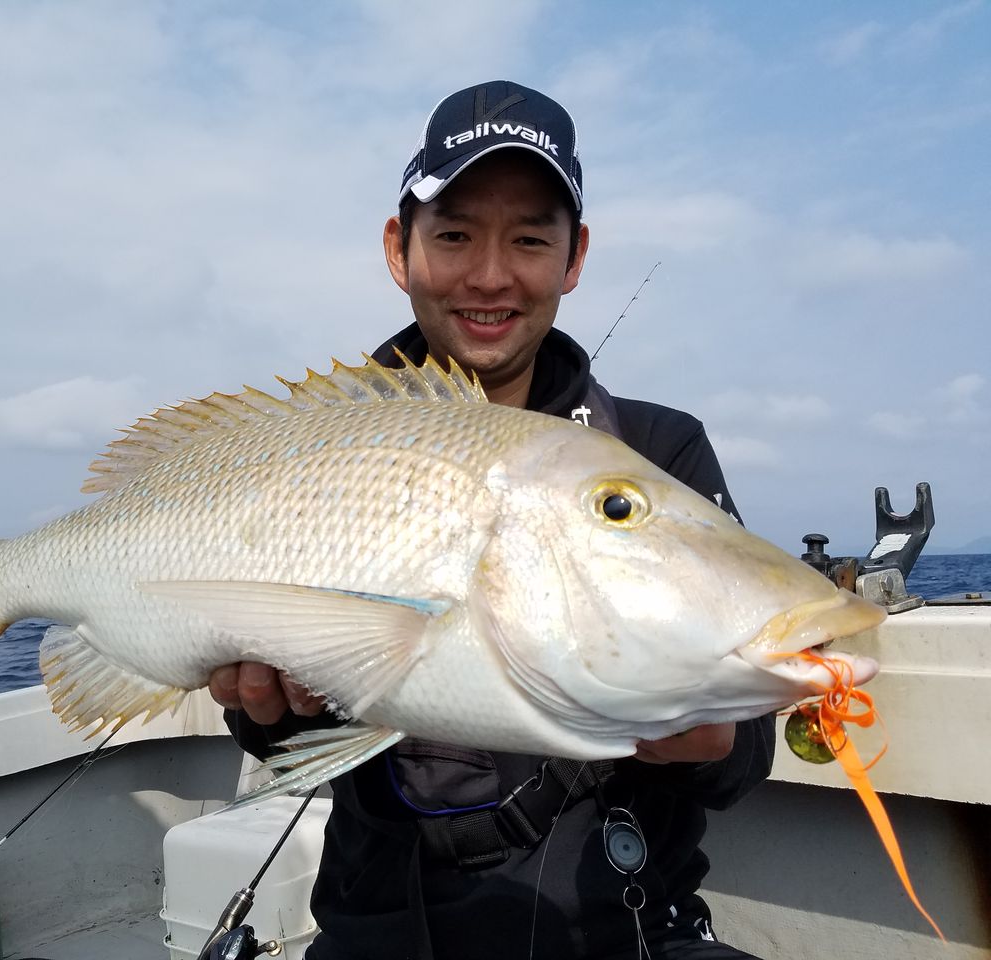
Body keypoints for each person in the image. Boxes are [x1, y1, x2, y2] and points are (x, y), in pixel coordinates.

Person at [209, 80, 774, 960]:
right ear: (399, 248)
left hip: (623, 926)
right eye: (455, 234)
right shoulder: (309, 450)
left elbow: (744, 762)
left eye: (530, 239)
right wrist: (271, 714)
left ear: (574, 256)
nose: (489, 274)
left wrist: (710, 740)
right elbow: (277, 730)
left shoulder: (659, 451)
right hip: (384, 928)